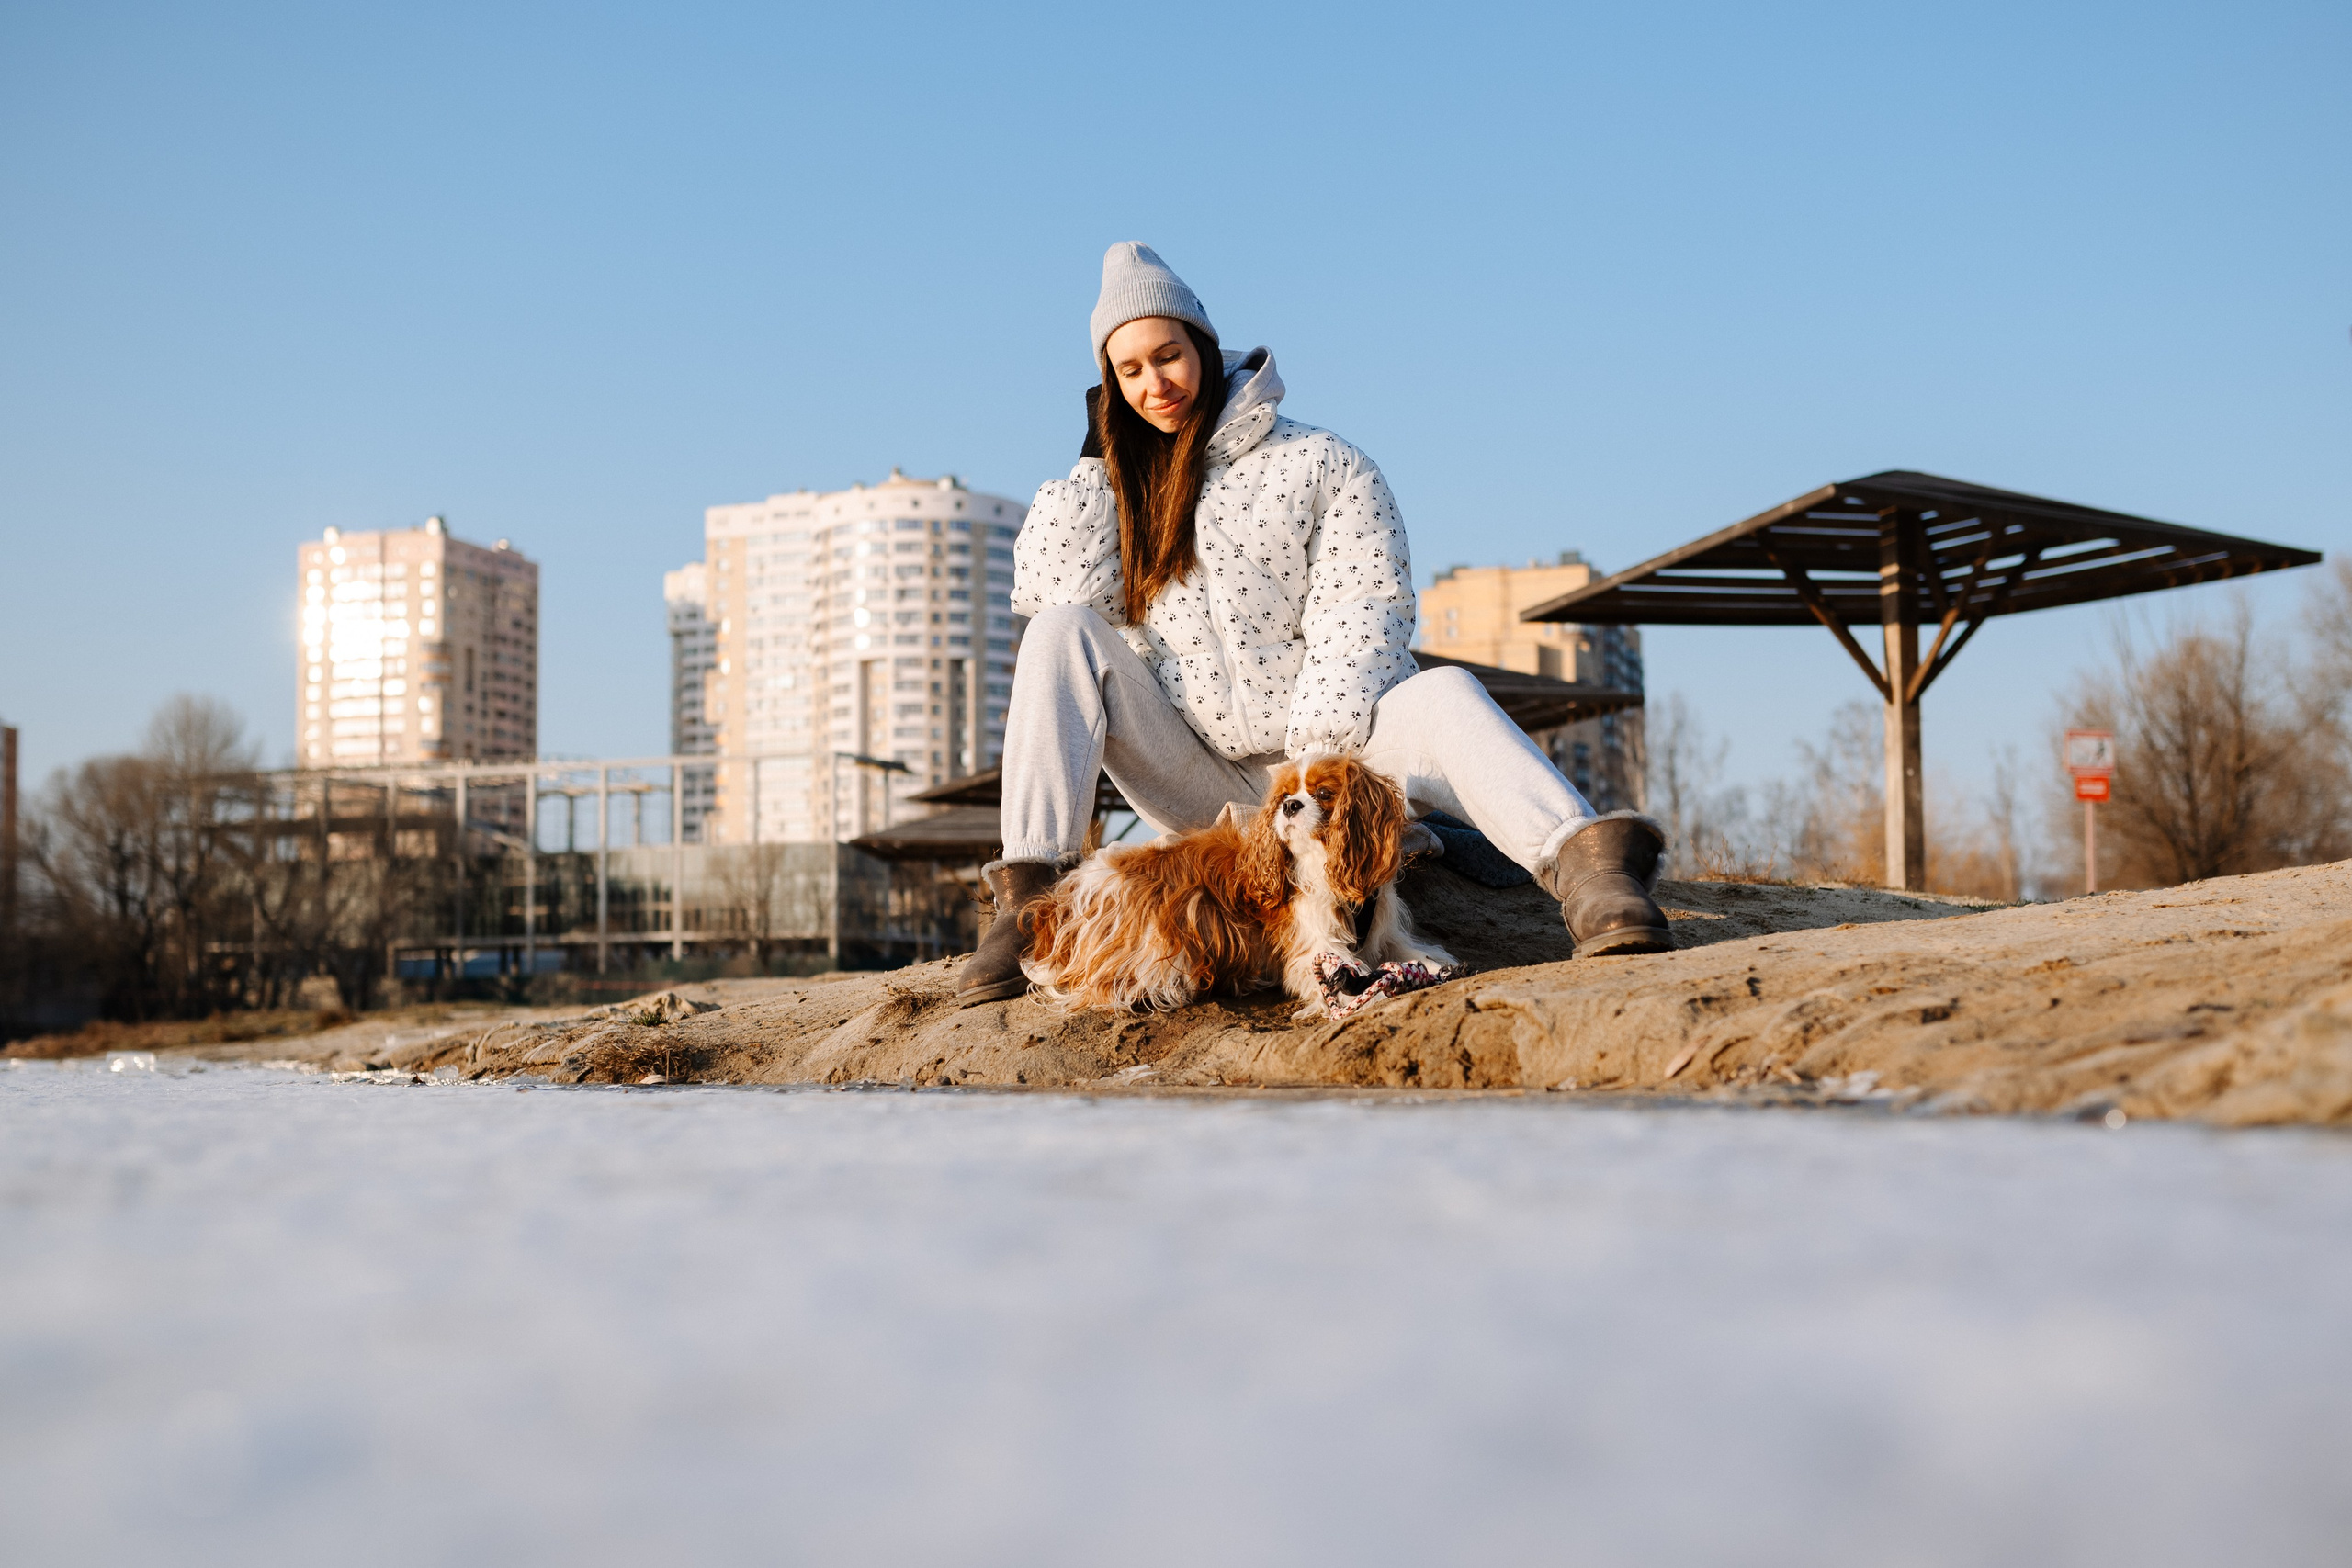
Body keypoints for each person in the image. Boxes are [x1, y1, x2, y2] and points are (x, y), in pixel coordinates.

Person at [957, 243, 1671, 1004]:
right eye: (1127, 372)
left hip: (1341, 762)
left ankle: (1591, 866)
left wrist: (1310, 775)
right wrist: (1098, 461)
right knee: (1061, 630)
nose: (1154, 384)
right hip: (1207, 778)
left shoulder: (1323, 462)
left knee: (1446, 692)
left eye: (1167, 356)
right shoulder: (1122, 493)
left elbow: (1364, 610)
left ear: (1203, 346)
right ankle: (1028, 898)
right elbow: (1044, 592)